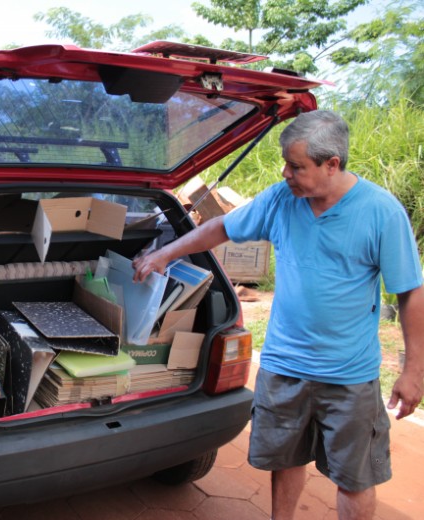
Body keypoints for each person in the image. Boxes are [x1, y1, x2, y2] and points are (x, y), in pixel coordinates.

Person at [133, 110, 424, 520]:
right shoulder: (281, 199)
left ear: (332, 165)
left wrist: (414, 371)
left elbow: (411, 292)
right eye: (286, 162)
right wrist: (164, 253)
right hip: (284, 366)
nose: (285, 172)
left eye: (297, 166)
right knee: (285, 460)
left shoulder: (381, 212)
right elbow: (220, 229)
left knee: (354, 476)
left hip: (349, 374)